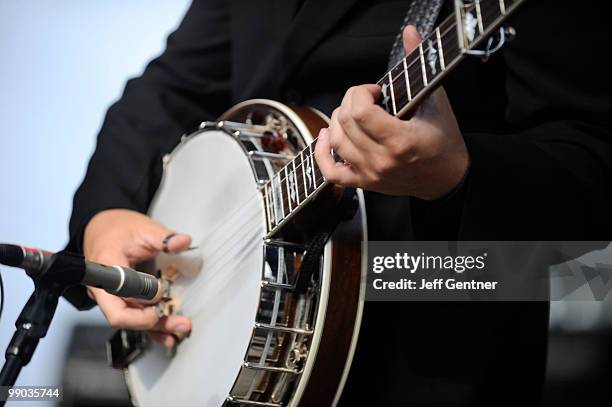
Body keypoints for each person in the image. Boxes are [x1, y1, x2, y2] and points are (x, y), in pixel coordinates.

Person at [64, 0, 612, 405]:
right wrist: (104, 215)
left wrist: (454, 178)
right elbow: (170, 89)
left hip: (421, 349)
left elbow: (593, 185)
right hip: (216, 327)